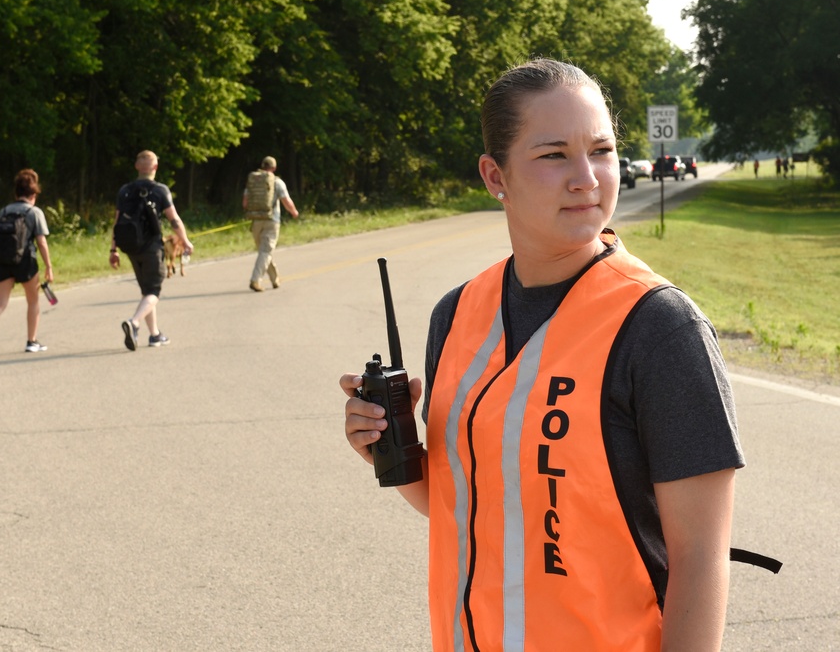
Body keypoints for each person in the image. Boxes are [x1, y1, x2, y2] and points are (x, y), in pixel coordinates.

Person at [340, 59, 743, 651]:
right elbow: (472, 511)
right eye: (554, 155)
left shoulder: (659, 328)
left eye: (601, 150)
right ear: (494, 175)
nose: (587, 177)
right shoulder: (456, 316)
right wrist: (387, 454)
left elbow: (701, 562)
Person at [109, 150, 194, 351]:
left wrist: (113, 250)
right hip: (152, 247)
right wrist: (186, 241)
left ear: (137, 166)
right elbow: (174, 220)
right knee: (154, 291)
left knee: (146, 291)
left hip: (130, 247)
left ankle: (155, 335)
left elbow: (116, 222)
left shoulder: (124, 191)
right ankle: (134, 323)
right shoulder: (160, 190)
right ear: (155, 167)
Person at [0, 169, 54, 356]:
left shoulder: (3, 211)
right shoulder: (34, 212)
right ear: (33, 194)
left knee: (0, 303)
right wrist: (49, 266)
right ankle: (32, 342)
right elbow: (41, 241)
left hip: (1, 260)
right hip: (25, 261)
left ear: (16, 193)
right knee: (33, 302)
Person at [242, 156, 299, 292]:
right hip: (272, 221)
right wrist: (294, 212)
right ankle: (255, 280)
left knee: (264, 251)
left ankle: (275, 279)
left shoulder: (253, 180)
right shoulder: (277, 182)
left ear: (262, 166)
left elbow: (245, 203)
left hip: (255, 220)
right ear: (274, 168)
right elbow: (287, 201)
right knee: (266, 251)